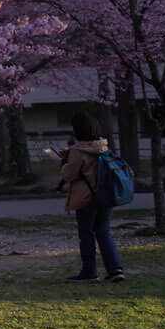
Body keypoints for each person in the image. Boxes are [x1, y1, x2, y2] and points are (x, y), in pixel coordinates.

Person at [58, 112, 125, 283]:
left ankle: (89, 272)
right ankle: (115, 269)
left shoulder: (78, 151)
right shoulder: (103, 147)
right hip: (105, 195)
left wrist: (64, 163)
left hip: (86, 198)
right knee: (103, 231)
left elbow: (69, 175)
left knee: (86, 233)